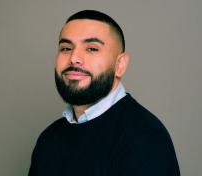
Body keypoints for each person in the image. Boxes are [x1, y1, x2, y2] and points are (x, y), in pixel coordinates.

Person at [28, 10, 180, 176]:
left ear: (120, 65)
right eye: (66, 48)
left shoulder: (146, 139)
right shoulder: (49, 139)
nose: (74, 58)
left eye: (92, 49)